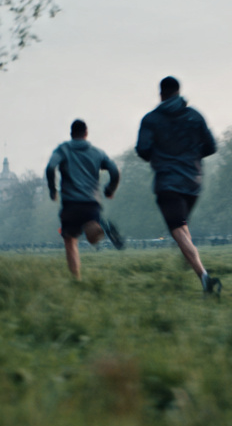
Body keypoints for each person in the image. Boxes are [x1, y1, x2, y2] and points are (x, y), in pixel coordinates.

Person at [136, 76, 221, 296]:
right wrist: (190, 155)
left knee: (178, 231)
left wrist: (164, 154)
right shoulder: (195, 116)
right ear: (178, 92)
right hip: (193, 183)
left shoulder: (151, 120)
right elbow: (211, 146)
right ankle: (191, 267)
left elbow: (143, 150)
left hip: (168, 183)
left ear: (161, 94)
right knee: (181, 228)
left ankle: (204, 277)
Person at [46, 119, 121, 280]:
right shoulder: (97, 152)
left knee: (70, 241)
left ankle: (76, 279)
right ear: (86, 133)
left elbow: (51, 167)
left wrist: (53, 190)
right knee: (91, 233)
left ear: (71, 134)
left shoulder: (63, 149)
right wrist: (110, 189)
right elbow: (114, 170)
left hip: (70, 203)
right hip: (91, 203)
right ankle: (96, 226)